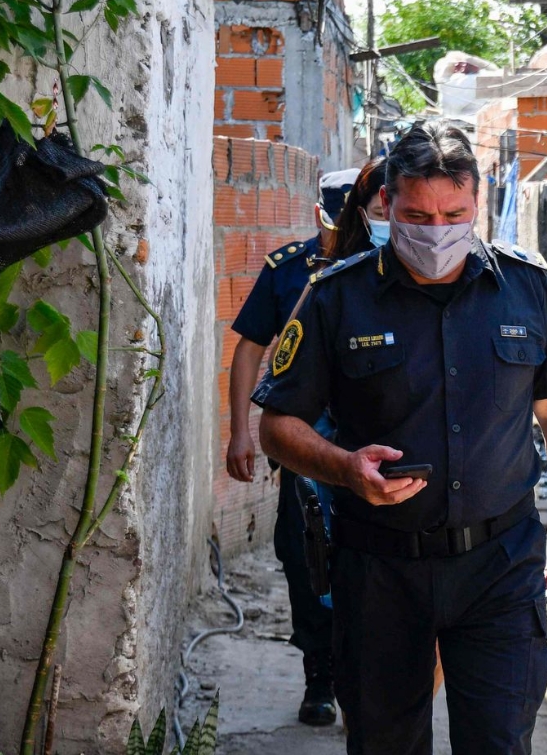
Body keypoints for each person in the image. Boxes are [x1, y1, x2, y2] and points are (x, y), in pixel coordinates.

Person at [252, 121, 547, 755]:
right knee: (384, 744)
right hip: (380, 572)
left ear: (478, 204)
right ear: (386, 203)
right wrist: (343, 466)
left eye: (454, 213)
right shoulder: (335, 298)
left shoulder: (523, 288)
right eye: (418, 214)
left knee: (498, 743)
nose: (437, 230)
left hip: (500, 567)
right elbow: (277, 425)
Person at [224, 166, 360, 726]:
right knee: (305, 561)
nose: (342, 237)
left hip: (373, 444)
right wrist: (239, 429)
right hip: (305, 449)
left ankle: (363, 681)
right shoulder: (289, 271)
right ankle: (319, 681)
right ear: (318, 218)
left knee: (372, 566)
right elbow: (250, 348)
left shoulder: (387, 270)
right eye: (335, 226)